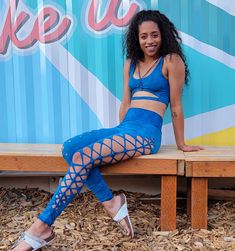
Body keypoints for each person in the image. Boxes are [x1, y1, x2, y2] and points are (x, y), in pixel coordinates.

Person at [11, 9, 203, 251]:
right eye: (144, 36)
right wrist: (117, 133)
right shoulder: (131, 63)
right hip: (125, 129)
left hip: (145, 134)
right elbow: (125, 102)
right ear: (137, 38)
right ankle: (111, 201)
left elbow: (175, 106)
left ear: (163, 35)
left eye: (154, 35)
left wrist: (181, 144)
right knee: (70, 148)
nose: (150, 41)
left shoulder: (171, 61)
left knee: (84, 156)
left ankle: (41, 227)